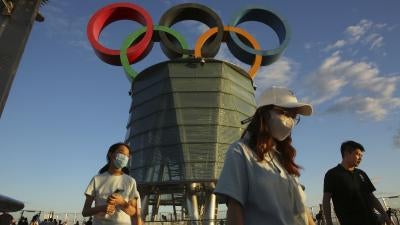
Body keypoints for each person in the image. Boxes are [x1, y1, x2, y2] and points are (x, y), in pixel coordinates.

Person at [214, 86, 315, 225]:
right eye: (286, 113)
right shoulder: (241, 152)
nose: (290, 121)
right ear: (265, 113)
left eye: (294, 116)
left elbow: (303, 212)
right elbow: (235, 209)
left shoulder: (283, 159)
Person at [322, 140, 392, 225]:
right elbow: (326, 200)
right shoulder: (332, 174)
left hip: (373, 221)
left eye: (361, 156)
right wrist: (329, 223)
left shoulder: (361, 173)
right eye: (357, 154)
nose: (360, 158)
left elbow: (372, 197)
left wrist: (386, 217)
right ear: (347, 153)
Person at [82, 142, 141, 225]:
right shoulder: (97, 179)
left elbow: (134, 212)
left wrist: (122, 202)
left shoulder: (131, 181)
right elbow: (85, 212)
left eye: (127, 156)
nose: (124, 157)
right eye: (121, 153)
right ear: (110, 154)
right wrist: (102, 208)